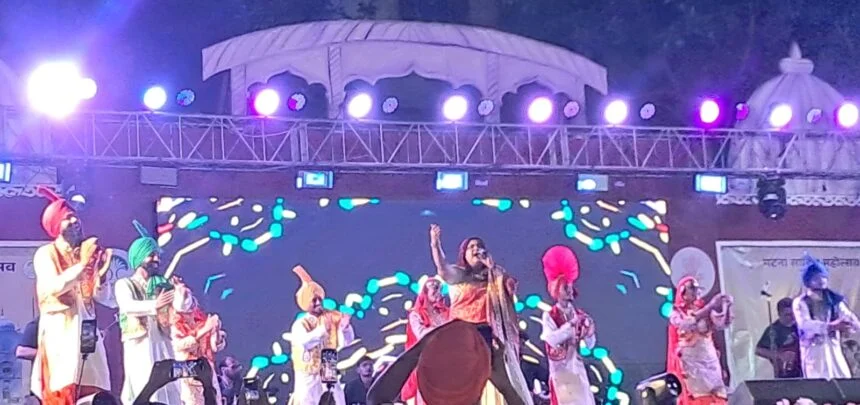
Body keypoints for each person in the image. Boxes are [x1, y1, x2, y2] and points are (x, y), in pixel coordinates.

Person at [368, 224, 532, 405]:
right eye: (471, 247)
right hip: (460, 337)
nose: (476, 249)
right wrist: (435, 244)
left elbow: (510, 290)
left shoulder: (495, 277)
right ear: (464, 254)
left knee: (492, 384)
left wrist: (493, 268)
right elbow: (442, 268)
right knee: (464, 384)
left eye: (479, 246)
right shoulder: (459, 275)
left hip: (487, 336)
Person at [32, 186, 114, 405]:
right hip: (61, 331)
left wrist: (101, 275)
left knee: (93, 388)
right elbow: (54, 286)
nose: (75, 221)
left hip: (87, 330)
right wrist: (83, 265)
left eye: (75, 217)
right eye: (68, 218)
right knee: (64, 388)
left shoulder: (83, 255)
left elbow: (102, 297)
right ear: (55, 226)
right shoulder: (45, 253)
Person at [116, 220, 190, 405]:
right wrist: (154, 305)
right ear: (139, 257)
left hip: (164, 343)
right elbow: (127, 305)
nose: (156, 259)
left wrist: (181, 293)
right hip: (140, 344)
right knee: (144, 384)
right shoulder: (124, 284)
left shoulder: (162, 284)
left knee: (171, 387)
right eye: (151, 255)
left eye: (157, 255)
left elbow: (181, 307)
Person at [289, 265, 355, 405]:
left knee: (336, 398)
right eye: (314, 300)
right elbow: (305, 342)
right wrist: (322, 329)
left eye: (319, 299)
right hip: (308, 372)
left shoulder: (331, 316)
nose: (318, 303)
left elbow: (346, 342)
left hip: (328, 365)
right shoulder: (301, 324)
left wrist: (345, 328)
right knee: (308, 399)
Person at [538, 246, 595, 405]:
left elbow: (590, 345)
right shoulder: (550, 315)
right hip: (561, 373)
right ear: (556, 289)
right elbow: (551, 339)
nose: (570, 290)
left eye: (570, 286)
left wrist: (590, 333)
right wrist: (570, 326)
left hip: (578, 369)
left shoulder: (579, 314)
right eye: (565, 287)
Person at [667, 276, 733, 405]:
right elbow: (686, 324)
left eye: (697, 288)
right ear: (683, 292)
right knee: (699, 395)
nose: (696, 291)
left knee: (716, 392)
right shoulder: (676, 312)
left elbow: (721, 324)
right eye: (692, 288)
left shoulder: (703, 310)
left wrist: (727, 307)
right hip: (692, 360)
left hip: (708, 356)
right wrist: (711, 306)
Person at [792, 254, 860, 379]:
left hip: (834, 350)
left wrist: (851, 325)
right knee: (818, 384)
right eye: (817, 277)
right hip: (814, 351)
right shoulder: (801, 302)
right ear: (808, 280)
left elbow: (848, 316)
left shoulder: (834, 300)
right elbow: (805, 324)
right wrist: (831, 326)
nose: (821, 280)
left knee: (843, 380)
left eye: (823, 276)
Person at [172, 279, 227, 405]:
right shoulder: (173, 325)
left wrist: (215, 331)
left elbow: (214, 347)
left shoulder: (200, 320)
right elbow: (179, 345)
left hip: (207, 371)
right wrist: (206, 329)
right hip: (188, 374)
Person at [400, 276, 449, 405]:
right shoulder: (416, 314)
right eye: (433, 288)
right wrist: (443, 331)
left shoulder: (446, 313)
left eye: (439, 288)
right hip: (426, 364)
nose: (437, 291)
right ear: (425, 291)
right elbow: (421, 334)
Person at [755, 297, 802, 378]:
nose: (792, 317)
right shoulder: (773, 330)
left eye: (793, 314)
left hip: (801, 370)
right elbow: (759, 350)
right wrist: (779, 355)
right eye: (788, 315)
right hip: (783, 373)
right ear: (780, 314)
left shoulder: (799, 326)